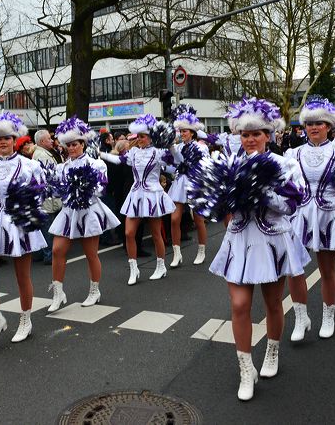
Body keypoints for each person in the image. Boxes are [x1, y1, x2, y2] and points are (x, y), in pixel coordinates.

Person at [206, 97, 307, 401]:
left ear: (268, 135)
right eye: (245, 134)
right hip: (239, 238)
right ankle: (245, 368)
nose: (250, 139)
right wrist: (225, 204)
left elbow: (291, 204)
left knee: (274, 303)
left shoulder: (284, 163)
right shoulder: (230, 164)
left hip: (272, 238)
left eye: (256, 134)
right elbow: (218, 205)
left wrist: (260, 193)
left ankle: (273, 351)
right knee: (238, 305)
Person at [285, 98, 335, 341]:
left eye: (319, 122)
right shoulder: (292, 153)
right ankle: (301, 317)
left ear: (329, 126)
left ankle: (328, 316)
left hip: (329, 215)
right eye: (309, 123)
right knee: (294, 269)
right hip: (300, 216)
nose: (314, 127)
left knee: (327, 269)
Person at [0, 112, 47, 347]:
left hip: (19, 224)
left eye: (6, 138)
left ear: (15, 140)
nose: (2, 142)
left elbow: (40, 196)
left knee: (22, 276)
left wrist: (27, 204)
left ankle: (26, 319)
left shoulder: (29, 165)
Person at [46, 117, 120, 311]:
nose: (71, 148)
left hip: (89, 211)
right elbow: (57, 191)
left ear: (83, 144)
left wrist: (83, 187)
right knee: (57, 251)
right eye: (68, 145)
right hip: (68, 212)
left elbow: (101, 189)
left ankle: (95, 290)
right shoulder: (61, 168)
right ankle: (58, 292)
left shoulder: (96, 164)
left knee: (90, 254)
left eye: (75, 144)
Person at [100, 114, 181, 285]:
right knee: (129, 232)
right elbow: (119, 160)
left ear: (151, 137)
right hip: (136, 194)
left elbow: (177, 163)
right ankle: (134, 268)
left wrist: (171, 146)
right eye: (139, 136)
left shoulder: (158, 152)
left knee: (156, 233)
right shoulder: (134, 152)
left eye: (143, 136)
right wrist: (101, 154)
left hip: (152, 195)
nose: (140, 139)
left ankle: (161, 265)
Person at [167, 107, 209, 267]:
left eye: (185, 131)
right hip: (179, 184)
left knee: (198, 219)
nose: (182, 133)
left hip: (195, 182)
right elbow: (175, 166)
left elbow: (202, 166)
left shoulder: (200, 147)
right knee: (174, 218)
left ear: (192, 132)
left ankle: (201, 250)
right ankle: (177, 253)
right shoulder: (177, 147)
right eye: (181, 131)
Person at [32, 130, 63, 264]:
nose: (52, 140)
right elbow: (49, 175)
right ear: (42, 141)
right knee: (47, 225)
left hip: (47, 194)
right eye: (49, 139)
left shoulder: (43, 153)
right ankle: (49, 254)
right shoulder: (41, 155)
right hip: (46, 195)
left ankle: (40, 253)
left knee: (44, 225)